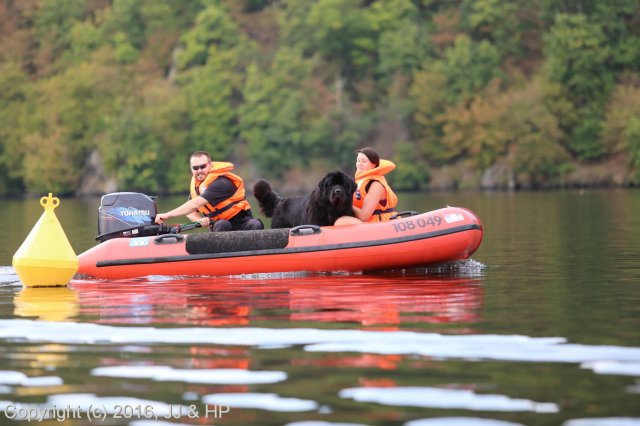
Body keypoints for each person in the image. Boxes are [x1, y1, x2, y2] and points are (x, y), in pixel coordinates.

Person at [155, 151, 263, 232]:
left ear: (210, 165)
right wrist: (199, 220)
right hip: (220, 224)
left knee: (255, 224)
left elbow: (195, 204)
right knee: (223, 224)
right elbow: (191, 210)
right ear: (191, 169)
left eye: (203, 166)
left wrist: (168, 215)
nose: (199, 170)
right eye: (195, 168)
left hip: (242, 221)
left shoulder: (221, 183)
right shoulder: (198, 186)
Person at [336, 147, 398, 225]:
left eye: (364, 161)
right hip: (366, 224)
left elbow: (364, 216)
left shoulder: (376, 184)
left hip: (380, 224)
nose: (359, 163)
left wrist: (346, 204)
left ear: (373, 164)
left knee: (341, 221)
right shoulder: (358, 182)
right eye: (358, 161)